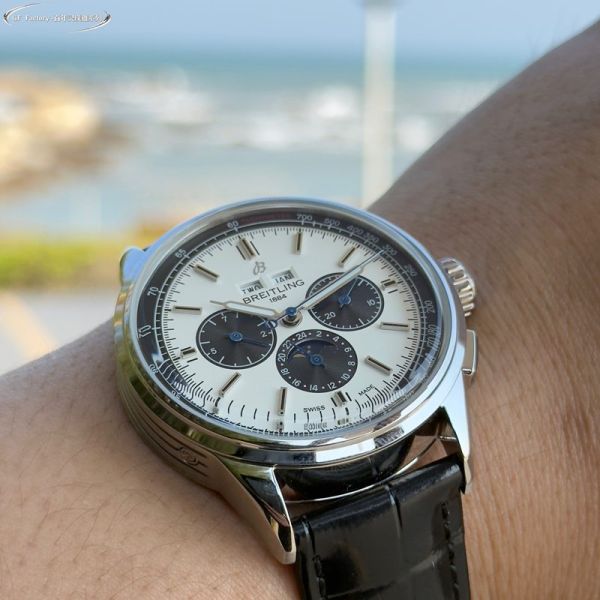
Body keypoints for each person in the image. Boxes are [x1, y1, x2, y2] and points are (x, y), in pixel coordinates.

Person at [1, 22, 599, 600]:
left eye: (306, 306)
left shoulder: (427, 351)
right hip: (273, 478)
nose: (292, 315)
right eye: (281, 314)